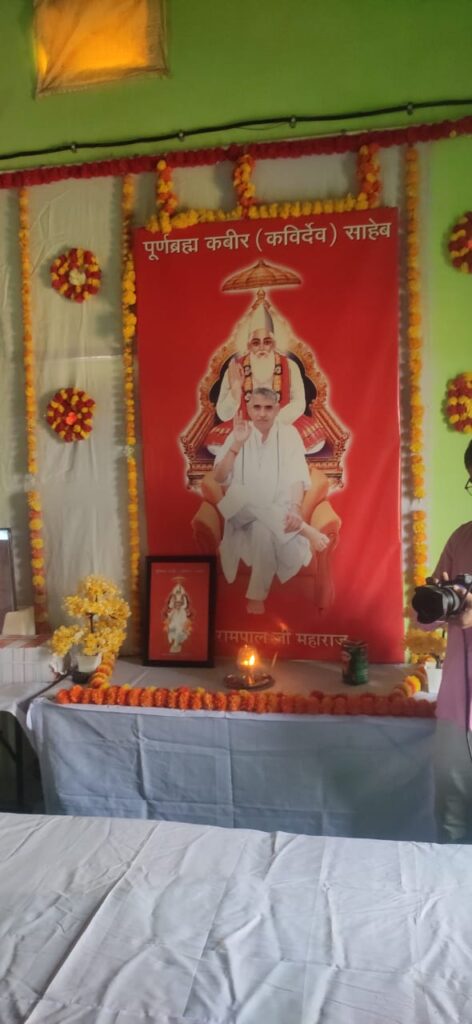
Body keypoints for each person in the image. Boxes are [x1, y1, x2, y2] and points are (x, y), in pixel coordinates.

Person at [213, 387, 330, 614]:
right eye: (257, 407)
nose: (262, 413)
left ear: (277, 409)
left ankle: (256, 598)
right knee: (242, 495)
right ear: (248, 409)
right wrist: (237, 444)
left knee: (262, 530)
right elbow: (219, 477)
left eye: (268, 408)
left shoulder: (289, 434)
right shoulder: (237, 433)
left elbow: (297, 477)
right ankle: (304, 529)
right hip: (239, 514)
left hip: (276, 519)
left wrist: (295, 508)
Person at [205, 302, 326, 455]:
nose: (262, 347)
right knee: (215, 447)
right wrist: (235, 390)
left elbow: (299, 402)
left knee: (316, 444)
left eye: (267, 342)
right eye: (256, 343)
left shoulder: (290, 366)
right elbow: (223, 413)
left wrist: (273, 423)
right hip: (245, 423)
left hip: (280, 421)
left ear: (273, 344)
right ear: (249, 345)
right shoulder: (235, 368)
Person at [427, 439, 472, 842]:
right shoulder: (461, 539)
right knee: (451, 821)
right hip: (458, 710)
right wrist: (437, 602)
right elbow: (423, 619)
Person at [164, 581, 192, 653]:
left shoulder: (183, 597)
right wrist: (174, 607)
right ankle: (174, 641)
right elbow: (170, 606)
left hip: (181, 616)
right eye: (177, 591)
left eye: (179, 590)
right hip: (174, 615)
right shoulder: (173, 597)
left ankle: (176, 643)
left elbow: (185, 606)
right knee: (171, 627)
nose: (178, 592)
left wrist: (180, 606)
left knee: (179, 629)